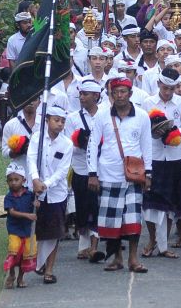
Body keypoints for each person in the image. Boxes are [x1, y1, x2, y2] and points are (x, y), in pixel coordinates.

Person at [86, 76, 153, 274]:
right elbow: (92, 144)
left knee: (132, 219)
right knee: (110, 220)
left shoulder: (142, 116)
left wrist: (149, 173)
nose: (120, 95)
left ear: (130, 94)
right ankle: (117, 258)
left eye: (124, 92)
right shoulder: (102, 116)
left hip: (133, 175)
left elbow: (147, 146)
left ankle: (134, 258)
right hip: (107, 174)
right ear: (111, 95)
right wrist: (92, 173)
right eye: (116, 92)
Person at [141, 67, 181, 258]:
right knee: (151, 202)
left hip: (173, 156)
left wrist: (173, 133)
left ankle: (164, 244)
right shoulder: (148, 103)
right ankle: (153, 239)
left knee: (169, 203)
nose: (168, 92)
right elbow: (144, 129)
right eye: (165, 88)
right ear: (158, 85)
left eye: (172, 88)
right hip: (153, 156)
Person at [27, 104, 73, 284]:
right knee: (40, 230)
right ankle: (39, 263)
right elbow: (31, 159)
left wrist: (45, 184)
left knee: (54, 233)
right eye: (56, 120)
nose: (60, 124)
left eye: (63, 121)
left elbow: (62, 171)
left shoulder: (67, 144)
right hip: (37, 190)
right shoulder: (37, 138)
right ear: (47, 121)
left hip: (56, 193)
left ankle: (49, 269)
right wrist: (35, 179)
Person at [68, 78, 104, 262]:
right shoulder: (73, 118)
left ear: (96, 96)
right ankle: (83, 246)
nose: (81, 97)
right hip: (81, 168)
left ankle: (95, 245)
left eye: (85, 94)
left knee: (97, 206)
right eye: (80, 94)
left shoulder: (105, 115)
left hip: (102, 168)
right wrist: (79, 143)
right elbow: (67, 145)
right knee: (83, 206)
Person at [3, 161, 39, 289]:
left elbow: (36, 207)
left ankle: (20, 278)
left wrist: (37, 205)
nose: (13, 182)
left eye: (16, 179)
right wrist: (27, 216)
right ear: (7, 182)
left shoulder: (30, 195)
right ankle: (12, 273)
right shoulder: (9, 197)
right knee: (14, 251)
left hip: (28, 230)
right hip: (14, 229)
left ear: (23, 180)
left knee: (25, 254)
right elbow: (12, 212)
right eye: (10, 180)